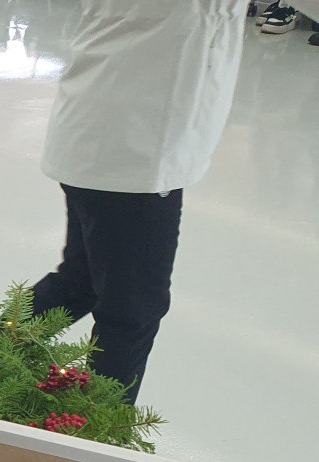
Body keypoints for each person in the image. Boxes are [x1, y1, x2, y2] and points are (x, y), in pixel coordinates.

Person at [31, 0, 247, 404]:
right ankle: (98, 429)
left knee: (81, 283)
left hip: (110, 130)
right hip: (134, 150)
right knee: (131, 312)